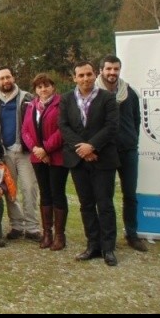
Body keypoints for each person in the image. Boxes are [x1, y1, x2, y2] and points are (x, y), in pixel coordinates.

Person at [59, 60, 120, 266]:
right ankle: (92, 244)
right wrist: (82, 149)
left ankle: (108, 248)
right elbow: (64, 127)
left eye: (88, 74)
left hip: (103, 159)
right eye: (81, 75)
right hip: (78, 160)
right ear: (74, 78)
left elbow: (111, 126)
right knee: (86, 205)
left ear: (95, 75)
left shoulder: (108, 98)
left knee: (104, 203)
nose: (85, 78)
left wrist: (92, 146)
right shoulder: (67, 99)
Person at [96, 55, 148, 253]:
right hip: (105, 152)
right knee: (105, 196)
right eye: (108, 69)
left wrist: (130, 138)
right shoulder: (93, 94)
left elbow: (136, 119)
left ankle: (132, 234)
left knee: (130, 195)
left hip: (127, 151)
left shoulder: (130, 94)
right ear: (101, 70)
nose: (112, 73)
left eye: (116, 69)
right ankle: (108, 236)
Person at [0, 66, 39, 241]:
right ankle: (16, 226)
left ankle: (32, 227)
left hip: (24, 151)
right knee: (9, 189)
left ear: (13, 78)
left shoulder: (28, 99)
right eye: (1, 78)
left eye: (8, 77)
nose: (5, 81)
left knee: (29, 188)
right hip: (3, 153)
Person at [21, 73, 68, 250]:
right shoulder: (32, 106)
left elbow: (63, 129)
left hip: (57, 157)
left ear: (53, 87)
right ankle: (47, 233)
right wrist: (36, 150)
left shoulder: (61, 104)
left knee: (58, 194)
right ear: (35, 90)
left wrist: (46, 149)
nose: (43, 89)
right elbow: (25, 130)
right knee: (45, 194)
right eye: (39, 87)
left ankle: (59, 236)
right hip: (38, 158)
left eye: (46, 85)